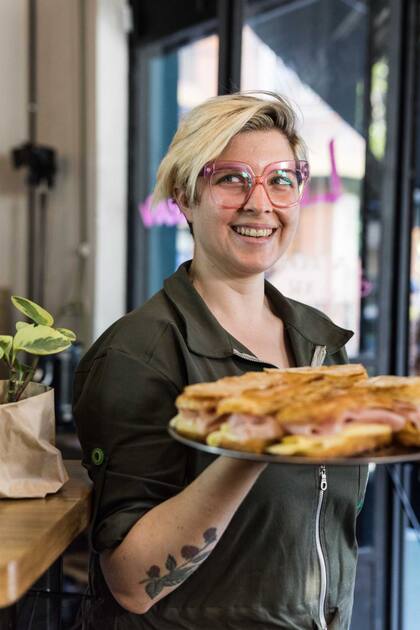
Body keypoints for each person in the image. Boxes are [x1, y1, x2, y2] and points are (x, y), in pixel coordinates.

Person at [73, 91, 368, 630]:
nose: (260, 202)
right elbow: (131, 584)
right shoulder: (138, 355)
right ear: (186, 197)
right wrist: (252, 447)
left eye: (281, 179)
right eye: (232, 178)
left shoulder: (319, 344)